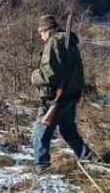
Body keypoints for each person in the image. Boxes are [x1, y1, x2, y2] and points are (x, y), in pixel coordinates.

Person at [30, 15, 96, 172]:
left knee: (40, 131)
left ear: (47, 31)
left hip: (56, 97)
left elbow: (48, 75)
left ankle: (41, 167)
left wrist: (34, 75)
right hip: (71, 94)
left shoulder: (53, 42)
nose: (41, 37)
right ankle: (89, 158)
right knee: (67, 129)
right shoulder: (69, 42)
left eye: (41, 33)